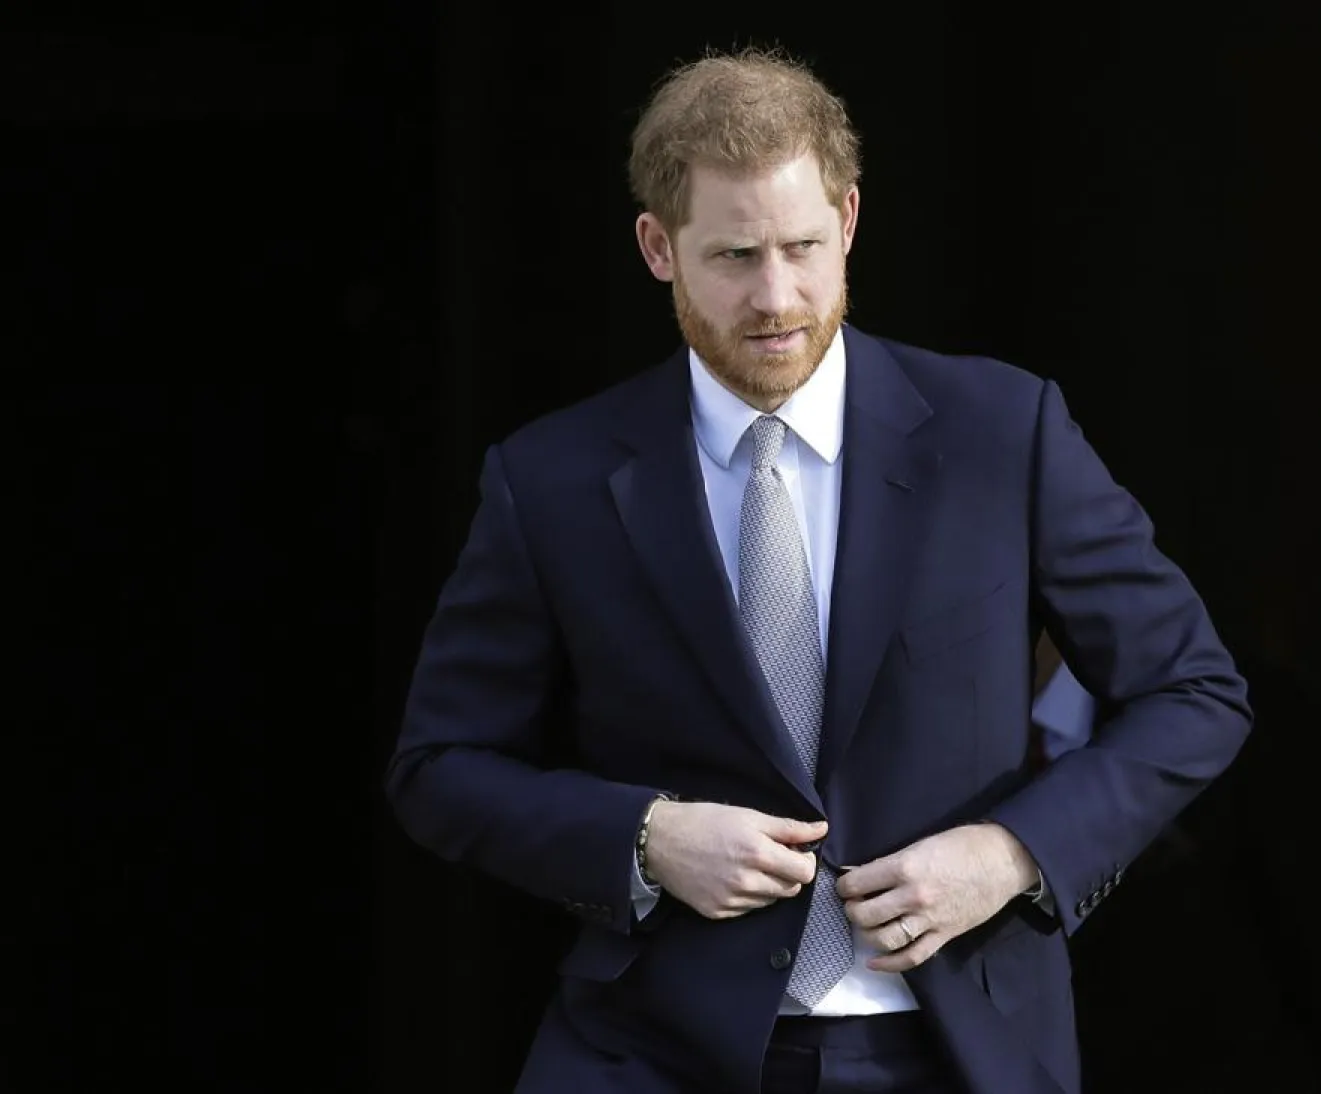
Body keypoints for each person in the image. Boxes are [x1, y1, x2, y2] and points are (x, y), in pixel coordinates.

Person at [384, 46, 1252, 1094]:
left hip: (956, 1046)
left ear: (848, 218)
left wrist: (1011, 851)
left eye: (802, 246)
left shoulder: (1000, 431)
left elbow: (1193, 689)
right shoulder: (551, 480)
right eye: (735, 256)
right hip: (651, 1049)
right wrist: (647, 837)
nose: (777, 294)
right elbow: (439, 767)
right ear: (659, 247)